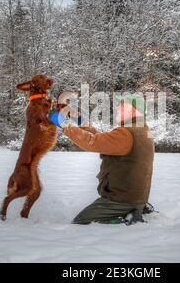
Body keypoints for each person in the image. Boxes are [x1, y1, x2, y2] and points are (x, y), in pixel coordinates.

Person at [49, 95, 155, 225]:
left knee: (81, 222)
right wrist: (81, 122)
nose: (117, 108)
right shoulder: (141, 130)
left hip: (121, 200)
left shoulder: (127, 134)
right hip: (134, 197)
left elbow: (92, 142)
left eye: (122, 106)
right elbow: (104, 139)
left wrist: (64, 124)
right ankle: (136, 209)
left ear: (134, 110)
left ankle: (127, 218)